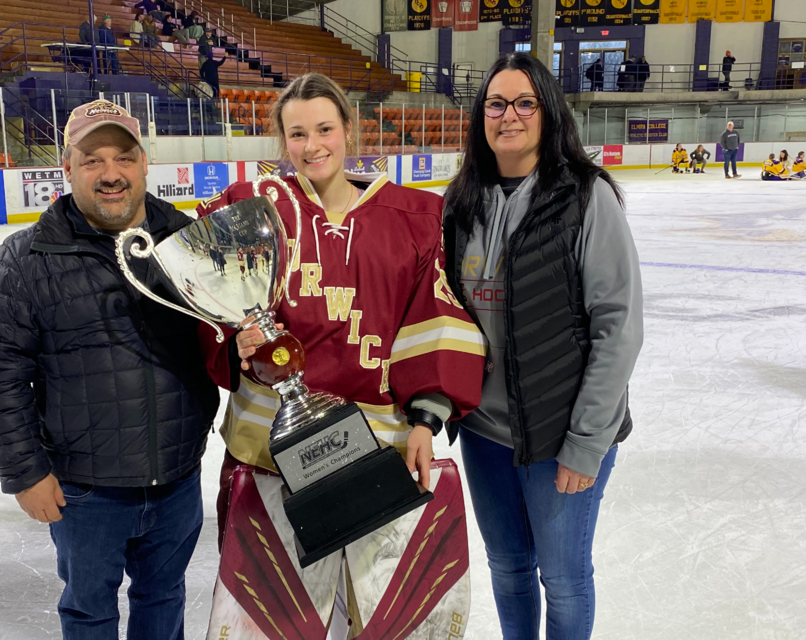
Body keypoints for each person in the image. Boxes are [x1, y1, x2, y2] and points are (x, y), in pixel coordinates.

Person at [198, 72, 485, 639]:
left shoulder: (414, 219)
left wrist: (429, 419)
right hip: (270, 455)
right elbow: (208, 314)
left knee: (384, 620)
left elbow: (434, 319)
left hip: (384, 455)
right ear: (283, 142)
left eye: (325, 128)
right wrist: (234, 341)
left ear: (349, 130)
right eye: (298, 134)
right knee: (273, 622)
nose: (313, 146)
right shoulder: (252, 211)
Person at [0, 100, 221, 639]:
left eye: (124, 157)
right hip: (84, 490)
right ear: (66, 168)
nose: (111, 174)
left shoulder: (188, 242)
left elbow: (221, 342)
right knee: (88, 611)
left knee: (164, 598)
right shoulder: (26, 257)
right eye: (93, 160)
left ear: (145, 163)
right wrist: (24, 472)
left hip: (176, 476)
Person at [442, 52, 644, 640]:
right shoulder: (462, 203)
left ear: (548, 112)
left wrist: (586, 443)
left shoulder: (585, 197)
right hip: (484, 433)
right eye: (496, 103)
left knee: (563, 577)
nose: (509, 115)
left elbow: (619, 326)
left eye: (524, 102)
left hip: (562, 435)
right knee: (507, 568)